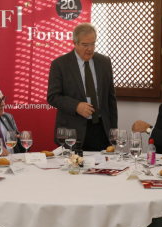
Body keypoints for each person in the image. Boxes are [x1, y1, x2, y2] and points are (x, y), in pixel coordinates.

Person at [47, 23, 118, 151]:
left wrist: (113, 130)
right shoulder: (60, 64)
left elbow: (110, 98)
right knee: (73, 168)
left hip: (100, 129)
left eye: (93, 44)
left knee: (100, 168)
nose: (90, 49)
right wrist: (76, 106)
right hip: (72, 130)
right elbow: (53, 97)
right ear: (75, 43)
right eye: (85, 45)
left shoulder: (104, 62)